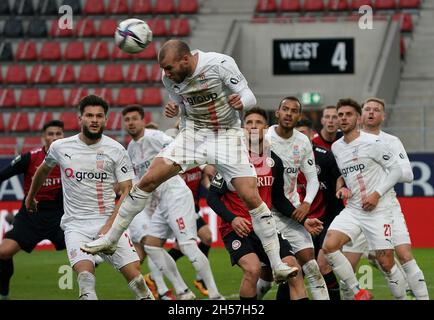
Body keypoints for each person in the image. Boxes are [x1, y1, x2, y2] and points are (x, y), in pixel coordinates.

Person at [82, 39, 295, 282]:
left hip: (227, 136)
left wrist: (241, 102)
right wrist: (177, 109)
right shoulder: (169, 78)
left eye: (170, 67)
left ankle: (277, 264)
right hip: (193, 135)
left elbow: (249, 96)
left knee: (250, 196)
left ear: (186, 59)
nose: (166, 73)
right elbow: (184, 104)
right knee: (149, 179)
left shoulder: (220, 64)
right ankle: (111, 239)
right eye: (164, 68)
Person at [25, 95, 154, 300]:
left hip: (109, 224)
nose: (94, 120)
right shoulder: (60, 147)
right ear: (80, 119)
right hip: (76, 225)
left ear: (106, 120)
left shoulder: (116, 150)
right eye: (89, 115)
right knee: (85, 278)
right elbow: (42, 170)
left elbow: (127, 192)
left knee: (136, 279)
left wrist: (110, 226)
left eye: (99, 116)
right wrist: (30, 197)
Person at [207, 107, 323, 300]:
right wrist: (233, 219)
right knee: (252, 270)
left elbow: (279, 200)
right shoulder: (233, 160)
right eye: (249, 123)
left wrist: (304, 221)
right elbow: (212, 197)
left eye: (258, 122)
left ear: (265, 128)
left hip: (266, 228)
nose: (253, 126)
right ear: (244, 129)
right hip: (237, 229)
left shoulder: (274, 161)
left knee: (294, 269)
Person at [121, 104, 223, 300]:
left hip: (176, 194)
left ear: (143, 120)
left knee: (188, 245)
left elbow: (182, 146)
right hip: (160, 202)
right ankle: (183, 291)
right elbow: (139, 179)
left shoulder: (155, 137)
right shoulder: (131, 148)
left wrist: (204, 164)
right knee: (151, 245)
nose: (131, 123)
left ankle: (215, 295)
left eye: (135, 118)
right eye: (127, 120)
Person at [340, 97, 429, 300]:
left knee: (404, 255)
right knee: (348, 265)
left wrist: (382, 173)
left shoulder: (391, 141)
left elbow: (407, 174)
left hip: (387, 206)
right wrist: (343, 185)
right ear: (361, 114)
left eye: (376, 109)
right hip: (358, 209)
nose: (371, 112)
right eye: (368, 109)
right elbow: (340, 173)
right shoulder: (347, 141)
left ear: (383, 115)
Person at [322, 98, 407, 300]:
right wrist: (342, 187)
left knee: (386, 262)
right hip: (353, 209)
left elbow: (395, 170)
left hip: (377, 210)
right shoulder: (337, 147)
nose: (342, 118)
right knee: (329, 246)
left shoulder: (373, 143)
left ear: (358, 118)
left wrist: (377, 193)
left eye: (348, 114)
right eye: (339, 115)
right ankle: (358, 292)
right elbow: (346, 174)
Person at [265, 97, 330, 300]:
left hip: (292, 211)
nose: (289, 114)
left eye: (294, 111)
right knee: (263, 278)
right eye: (285, 109)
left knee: (310, 266)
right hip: (265, 213)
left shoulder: (302, 141)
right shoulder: (265, 138)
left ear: (299, 116)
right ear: (277, 112)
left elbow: (312, 179)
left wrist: (306, 203)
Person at [0, 120, 65, 300]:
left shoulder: (71, 159)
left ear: (63, 136)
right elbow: (2, 175)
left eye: (58, 134)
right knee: (3, 253)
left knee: (88, 250)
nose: (54, 137)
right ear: (43, 137)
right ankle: (4, 294)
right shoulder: (30, 158)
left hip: (60, 217)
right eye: (50, 134)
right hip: (30, 216)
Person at [295, 118, 346, 300]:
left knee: (323, 266)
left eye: (304, 133)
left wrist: (341, 187)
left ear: (311, 135)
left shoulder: (324, 156)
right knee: (294, 269)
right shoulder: (284, 158)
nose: (301, 138)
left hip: (324, 222)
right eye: (297, 134)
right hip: (296, 223)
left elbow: (341, 177)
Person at [167, 164, 216, 297]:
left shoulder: (199, 166)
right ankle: (154, 277)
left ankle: (153, 277)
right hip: (179, 209)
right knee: (203, 238)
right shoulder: (175, 166)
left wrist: (211, 180)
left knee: (186, 245)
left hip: (193, 209)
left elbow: (207, 185)